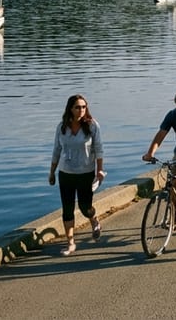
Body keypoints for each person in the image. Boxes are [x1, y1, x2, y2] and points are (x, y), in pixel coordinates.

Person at [49, 94, 104, 256]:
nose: (81, 110)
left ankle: (94, 220)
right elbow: (56, 150)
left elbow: (99, 149)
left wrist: (99, 170)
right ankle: (70, 243)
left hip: (85, 172)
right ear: (70, 109)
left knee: (85, 207)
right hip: (65, 173)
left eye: (83, 107)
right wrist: (51, 172)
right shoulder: (61, 127)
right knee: (67, 208)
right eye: (77, 107)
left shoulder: (92, 126)